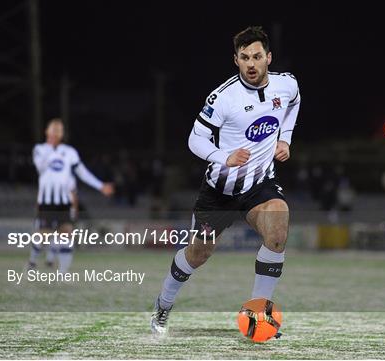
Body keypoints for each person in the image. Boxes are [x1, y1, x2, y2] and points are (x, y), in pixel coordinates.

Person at [150, 26, 301, 334]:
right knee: (198, 254)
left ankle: (259, 314)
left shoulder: (286, 85)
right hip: (219, 191)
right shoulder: (223, 98)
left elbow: (294, 102)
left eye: (257, 56)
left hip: (259, 185)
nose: (251, 63)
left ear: (268, 57)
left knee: (277, 228)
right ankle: (163, 305)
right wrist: (223, 157)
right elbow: (195, 139)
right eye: (244, 57)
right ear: (236, 60)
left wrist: (284, 139)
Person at [28, 118, 114, 272]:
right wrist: (52, 149)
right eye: (52, 129)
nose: (55, 132)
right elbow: (40, 167)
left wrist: (101, 186)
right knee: (43, 235)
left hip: (64, 201)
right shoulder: (40, 149)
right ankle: (32, 262)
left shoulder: (70, 152)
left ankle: (62, 273)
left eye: (58, 130)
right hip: (46, 200)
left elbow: (82, 173)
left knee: (67, 233)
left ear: (61, 134)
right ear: (47, 132)